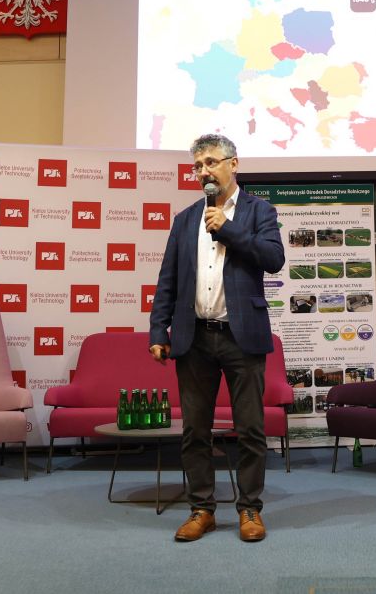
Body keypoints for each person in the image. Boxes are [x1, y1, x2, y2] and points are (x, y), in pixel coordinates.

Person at [148, 133, 285, 542]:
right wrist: (158, 330)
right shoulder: (185, 219)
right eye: (197, 166)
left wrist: (229, 230)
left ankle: (250, 509)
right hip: (194, 337)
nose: (203, 171)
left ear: (233, 164)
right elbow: (168, 280)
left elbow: (274, 259)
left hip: (241, 337)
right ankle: (201, 509)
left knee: (250, 429)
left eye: (210, 162)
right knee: (195, 431)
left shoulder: (260, 211)